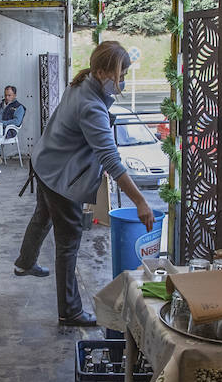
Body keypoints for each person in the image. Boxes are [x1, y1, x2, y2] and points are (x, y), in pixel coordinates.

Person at [13, 41, 155, 327]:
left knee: (43, 216)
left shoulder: (81, 83)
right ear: (103, 72)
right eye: (120, 75)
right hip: (60, 176)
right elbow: (112, 160)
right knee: (68, 241)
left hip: (45, 161)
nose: (122, 81)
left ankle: (24, 262)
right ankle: (70, 311)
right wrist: (140, 200)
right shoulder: (90, 105)